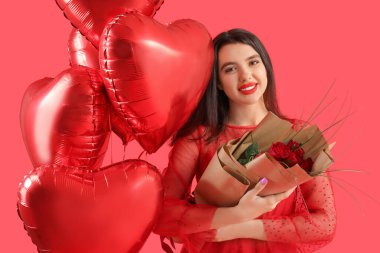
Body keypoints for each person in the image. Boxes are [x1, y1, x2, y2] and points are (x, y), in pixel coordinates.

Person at [153, 28, 336, 253]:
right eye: (230, 69)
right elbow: (163, 216)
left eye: (253, 62)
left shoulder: (299, 134)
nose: (245, 76)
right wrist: (236, 214)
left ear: (266, 67)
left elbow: (325, 224)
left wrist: (241, 228)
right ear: (218, 82)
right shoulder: (198, 139)